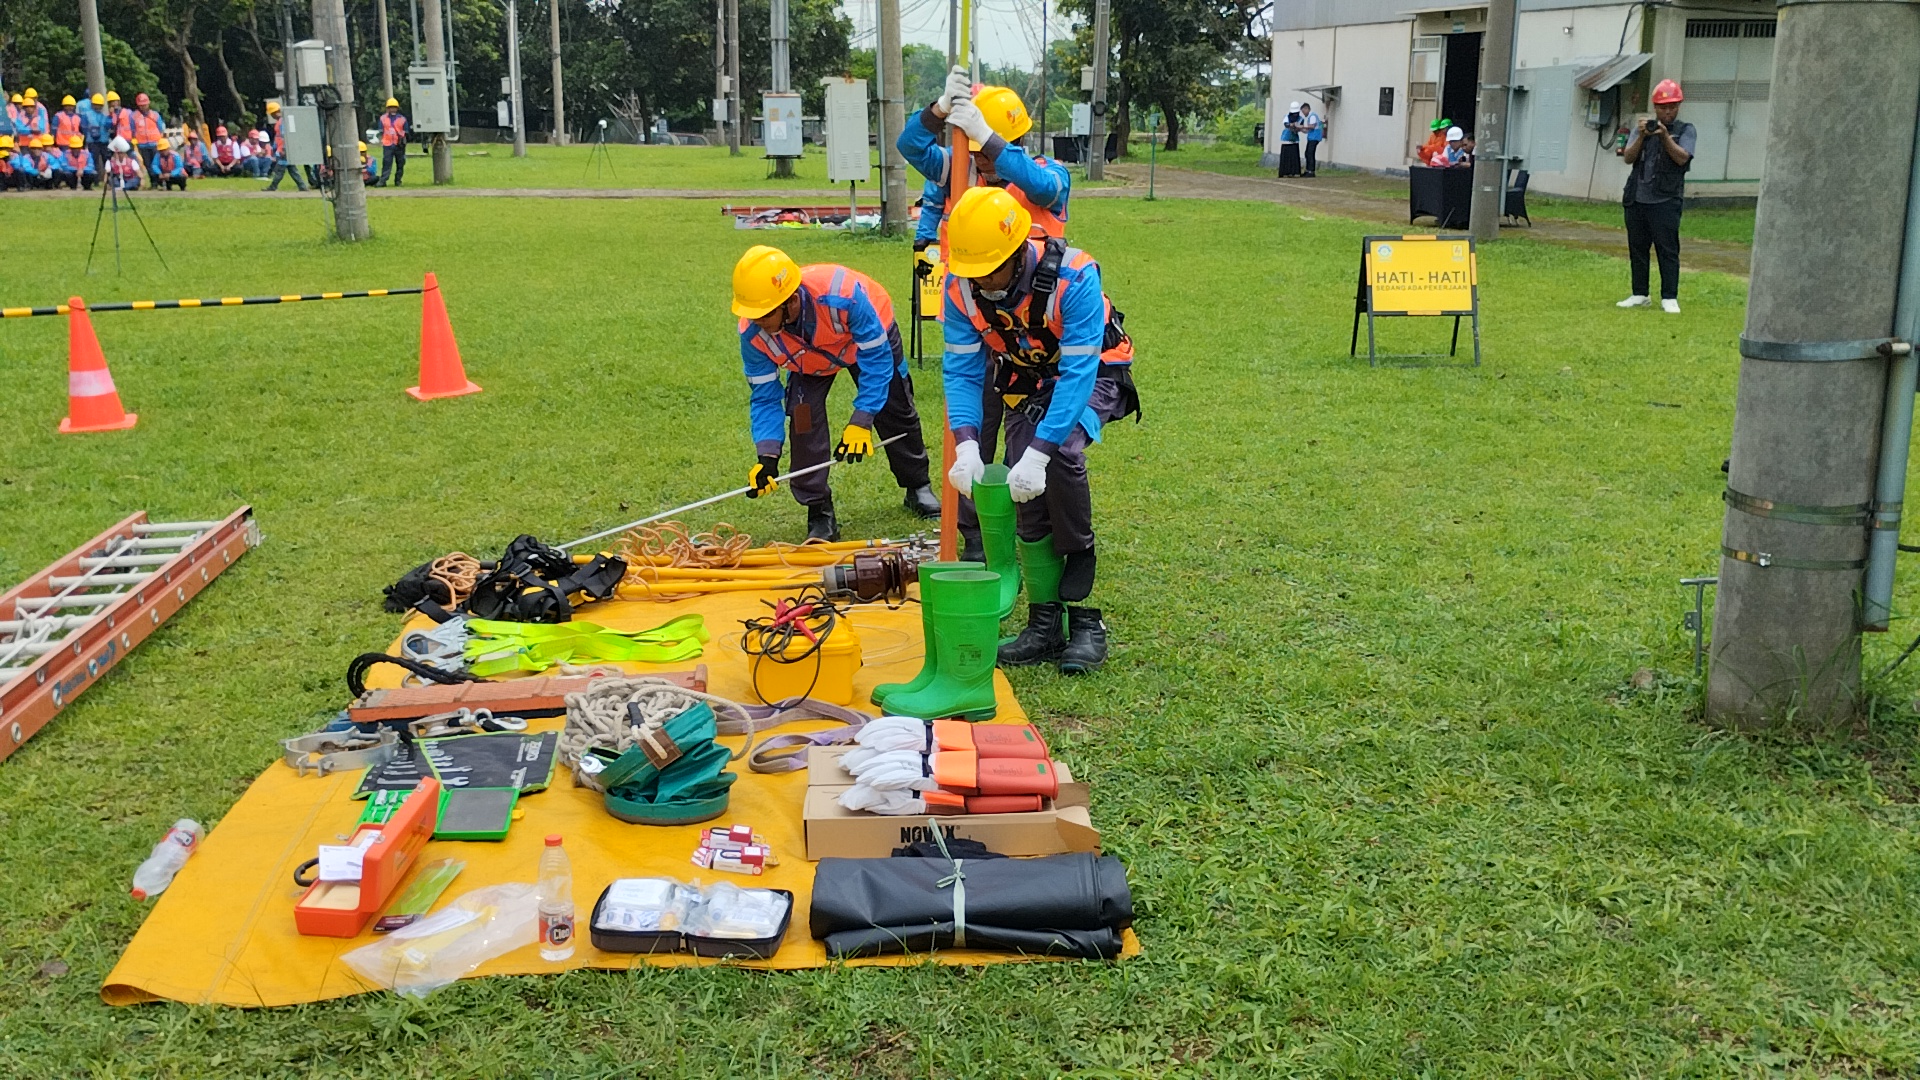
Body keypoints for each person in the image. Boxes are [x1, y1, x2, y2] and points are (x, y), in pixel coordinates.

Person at [939, 185, 1140, 675]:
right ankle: (1045, 623)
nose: (981, 282)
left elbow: (1078, 373)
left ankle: (1085, 610)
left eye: (990, 269)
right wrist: (966, 445)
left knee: (1061, 453)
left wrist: (1041, 452)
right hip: (1026, 381)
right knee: (1022, 489)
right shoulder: (960, 286)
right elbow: (961, 371)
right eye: (972, 271)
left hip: (1094, 373)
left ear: (1016, 252)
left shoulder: (1075, 275)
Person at [899, 68, 1073, 561]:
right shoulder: (960, 172)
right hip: (975, 318)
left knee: (1035, 441)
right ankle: (974, 536)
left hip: (1035, 331)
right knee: (973, 431)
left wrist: (989, 140)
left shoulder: (1047, 175)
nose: (980, 159)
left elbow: (1040, 187)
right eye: (974, 149)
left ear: (1012, 140)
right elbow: (910, 146)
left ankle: (1037, 532)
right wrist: (938, 111)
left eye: (986, 148)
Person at [730, 245, 942, 541]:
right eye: (751, 315)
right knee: (804, 422)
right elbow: (765, 397)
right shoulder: (753, 334)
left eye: (763, 315)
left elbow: (877, 362)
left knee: (895, 408)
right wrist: (767, 456)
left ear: (790, 302)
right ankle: (819, 510)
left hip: (869, 340)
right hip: (809, 362)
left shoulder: (843, 295)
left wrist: (861, 420)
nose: (757, 323)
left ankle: (917, 485)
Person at [1618, 79, 1696, 314]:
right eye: (1663, 107)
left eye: (1672, 107)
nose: (1667, 112)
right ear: (1655, 108)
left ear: (1679, 106)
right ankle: (1639, 293)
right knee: (1637, 248)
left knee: (1667, 249)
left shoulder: (1686, 130)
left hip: (1666, 199)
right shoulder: (1643, 129)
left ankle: (1669, 297)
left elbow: (1682, 158)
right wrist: (1643, 136)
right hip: (1637, 198)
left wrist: (1664, 136)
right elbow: (1628, 157)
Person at [264, 102, 309, 191]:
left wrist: (284, 149)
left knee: (280, 170)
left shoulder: (282, 122)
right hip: (284, 149)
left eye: (272, 114)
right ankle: (302, 186)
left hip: (284, 150)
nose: (272, 116)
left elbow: (286, 137)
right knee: (292, 170)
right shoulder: (281, 121)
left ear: (274, 112)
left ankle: (273, 186)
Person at [376, 97, 409, 186]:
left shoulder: (402, 119)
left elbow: (406, 132)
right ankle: (383, 181)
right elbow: (381, 131)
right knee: (386, 163)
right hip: (387, 144)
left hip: (399, 145)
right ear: (387, 108)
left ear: (397, 108)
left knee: (400, 163)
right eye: (390, 107)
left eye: (394, 107)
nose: (392, 109)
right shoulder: (383, 118)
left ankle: (398, 181)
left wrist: (403, 141)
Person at [130, 93, 164, 175]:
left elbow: (161, 128)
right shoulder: (133, 116)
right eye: (141, 105)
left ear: (148, 104)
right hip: (142, 145)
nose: (143, 107)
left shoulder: (155, 115)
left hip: (155, 143)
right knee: (147, 164)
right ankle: (153, 180)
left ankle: (159, 179)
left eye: (144, 105)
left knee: (157, 163)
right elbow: (133, 130)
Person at [81, 93, 113, 175]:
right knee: (93, 161)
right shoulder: (86, 115)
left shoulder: (105, 116)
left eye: (100, 105)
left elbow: (108, 126)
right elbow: (83, 128)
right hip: (92, 142)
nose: (98, 107)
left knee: (107, 160)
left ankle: (109, 178)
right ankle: (96, 178)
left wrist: (110, 116)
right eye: (96, 105)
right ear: (92, 105)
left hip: (104, 141)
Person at [1277, 101, 1303, 177]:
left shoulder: (1300, 119)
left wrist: (1297, 128)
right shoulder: (1286, 117)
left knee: (1294, 156)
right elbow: (1286, 125)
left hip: (1294, 140)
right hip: (1286, 139)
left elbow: (1300, 127)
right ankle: (1285, 172)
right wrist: (1292, 125)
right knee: (1286, 156)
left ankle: (1294, 171)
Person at [1299, 102, 1324, 177]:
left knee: (1310, 153)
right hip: (1312, 137)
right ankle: (1308, 170)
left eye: (1303, 111)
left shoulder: (1312, 116)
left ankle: (1311, 171)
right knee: (1307, 153)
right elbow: (1308, 130)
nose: (1303, 114)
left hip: (1314, 137)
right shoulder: (1310, 117)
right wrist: (1300, 129)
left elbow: (1312, 126)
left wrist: (1302, 127)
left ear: (1307, 109)